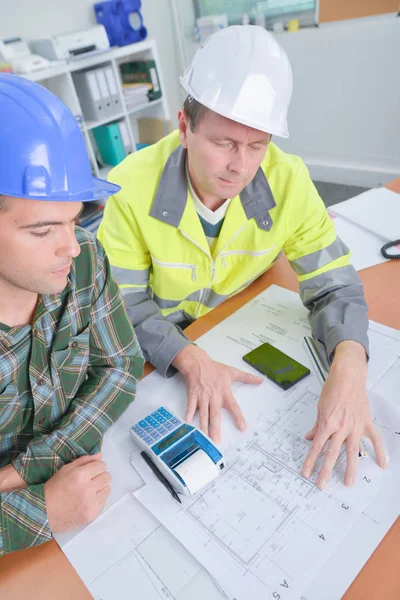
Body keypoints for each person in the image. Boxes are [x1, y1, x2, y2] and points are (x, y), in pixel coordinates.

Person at [98, 26, 386, 489]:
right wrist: (189, 358)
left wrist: (350, 364)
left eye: (258, 145)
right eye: (225, 143)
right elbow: (122, 305)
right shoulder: (130, 186)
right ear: (184, 126)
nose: (241, 166)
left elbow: (335, 284)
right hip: (160, 356)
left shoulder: (288, 180)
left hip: (238, 330)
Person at [0, 73, 144, 555]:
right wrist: (43, 510)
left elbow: (121, 367)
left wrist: (25, 472)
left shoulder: (82, 257)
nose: (72, 246)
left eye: (75, 218)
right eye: (43, 231)